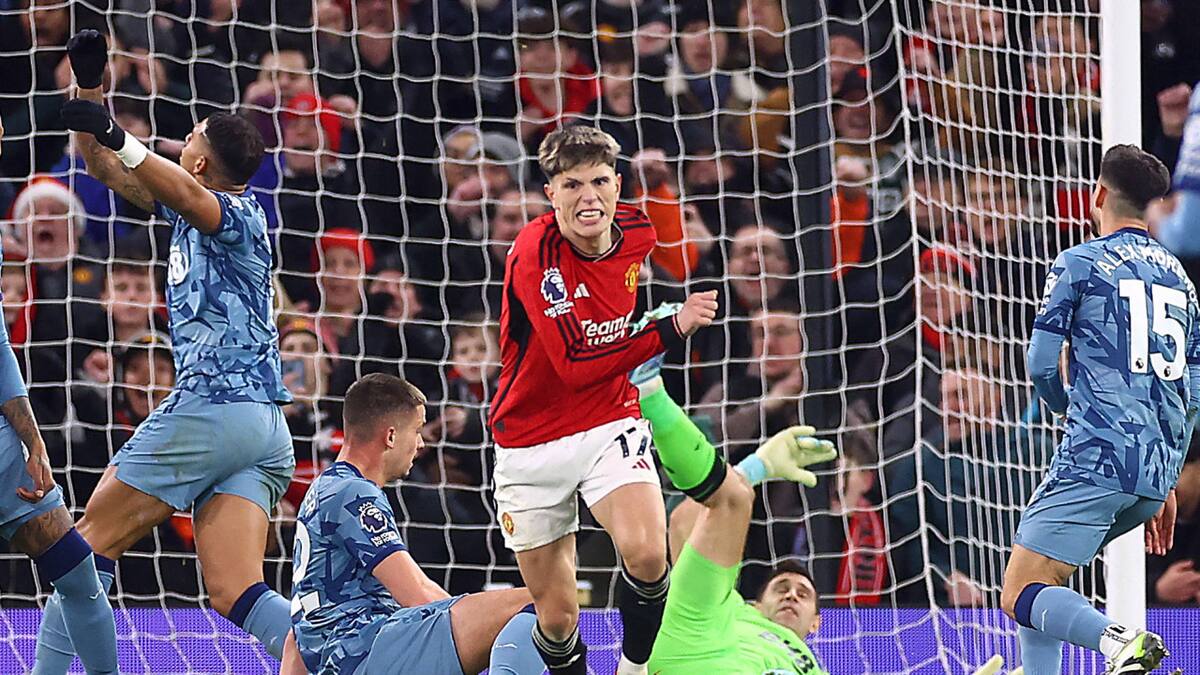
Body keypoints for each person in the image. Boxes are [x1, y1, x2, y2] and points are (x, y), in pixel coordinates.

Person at [36, 30, 296, 669]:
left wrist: (121, 134)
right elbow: (101, 166)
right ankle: (343, 658)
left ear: (201, 162)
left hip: (213, 409)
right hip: (261, 429)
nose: (183, 143)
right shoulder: (189, 210)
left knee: (84, 543)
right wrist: (92, 89)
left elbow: (182, 191)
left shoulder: (238, 213)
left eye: (192, 137)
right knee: (236, 589)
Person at [487, 125, 718, 675]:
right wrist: (668, 331)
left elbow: (675, 263)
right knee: (560, 616)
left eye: (598, 182)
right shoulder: (534, 256)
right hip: (529, 437)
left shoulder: (639, 231)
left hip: (609, 418)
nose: (587, 198)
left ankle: (634, 670)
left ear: (618, 184)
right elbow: (572, 367)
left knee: (646, 553)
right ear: (551, 194)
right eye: (571, 186)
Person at [1000, 145, 1191, 674]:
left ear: (1099, 194)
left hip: (1096, 456)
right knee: (1044, 587)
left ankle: (1120, 641)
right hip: (1152, 474)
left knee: (1020, 591)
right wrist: (1168, 478)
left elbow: (1041, 366)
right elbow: (1190, 395)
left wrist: (1066, 411)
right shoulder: (1182, 281)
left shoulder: (1080, 260)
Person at [280, 373, 542, 675]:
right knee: (538, 604)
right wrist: (475, 625)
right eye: (416, 430)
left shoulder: (322, 489)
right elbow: (415, 594)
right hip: (367, 648)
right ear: (391, 436)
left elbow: (295, 635)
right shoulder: (356, 493)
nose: (419, 443)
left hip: (339, 657)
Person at [0, 99, 121, 675]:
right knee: (80, 578)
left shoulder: (79, 277)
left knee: (78, 575)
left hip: (15, 448)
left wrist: (33, 440)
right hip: (11, 448)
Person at [626, 353, 835, 674]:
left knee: (733, 497)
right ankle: (649, 392)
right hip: (695, 635)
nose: (791, 595)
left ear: (816, 624)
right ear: (756, 605)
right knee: (733, 497)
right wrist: (752, 471)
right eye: (781, 589)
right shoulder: (732, 608)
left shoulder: (813, 669)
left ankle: (650, 394)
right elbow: (682, 522)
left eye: (803, 594)